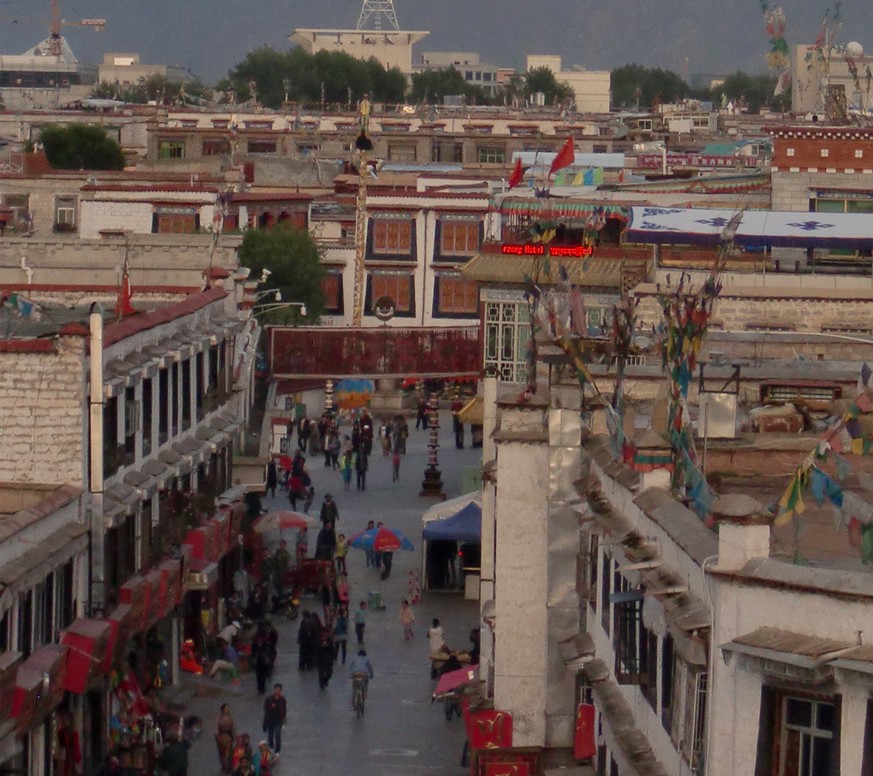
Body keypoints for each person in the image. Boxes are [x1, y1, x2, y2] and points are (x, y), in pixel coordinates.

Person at [262, 684, 287, 754]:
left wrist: (284, 720)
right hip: (270, 720)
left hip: (278, 720)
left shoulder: (282, 699)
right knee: (270, 735)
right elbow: (266, 710)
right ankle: (271, 747)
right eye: (276, 689)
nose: (277, 691)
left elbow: (284, 710)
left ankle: (277, 750)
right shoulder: (269, 699)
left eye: (278, 689)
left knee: (277, 735)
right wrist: (265, 723)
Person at [215, 704, 235, 775]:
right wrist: (217, 736)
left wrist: (235, 736)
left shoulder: (230, 717)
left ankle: (229, 767)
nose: (227, 710)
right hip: (221, 737)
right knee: (222, 753)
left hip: (229, 737)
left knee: (229, 753)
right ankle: (224, 767)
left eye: (228, 708)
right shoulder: (219, 718)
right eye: (226, 708)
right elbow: (216, 728)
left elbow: (233, 728)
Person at [316, 624, 335, 689]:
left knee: (327, 672)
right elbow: (315, 649)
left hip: (326, 659)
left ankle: (324, 681)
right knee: (322, 673)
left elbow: (332, 650)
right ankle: (322, 684)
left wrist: (332, 658)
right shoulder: (318, 639)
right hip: (321, 659)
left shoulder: (329, 640)